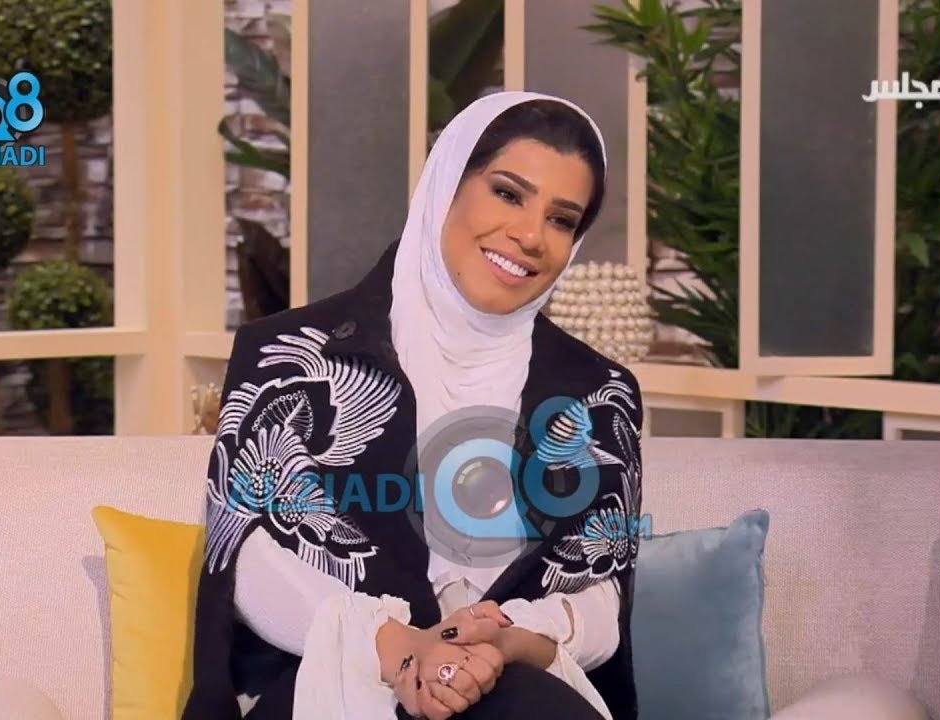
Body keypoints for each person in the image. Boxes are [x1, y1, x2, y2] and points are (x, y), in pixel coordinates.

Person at [182, 91, 644, 720]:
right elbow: (248, 560)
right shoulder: (292, 355)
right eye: (508, 194)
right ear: (446, 186)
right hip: (330, 678)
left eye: (562, 220)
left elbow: (603, 594)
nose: (531, 235)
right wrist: (405, 650)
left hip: (513, 686)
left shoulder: (599, 393)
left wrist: (505, 642)